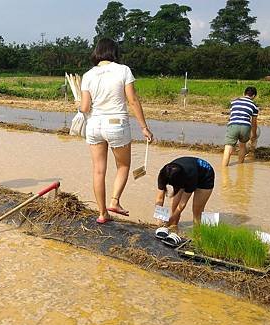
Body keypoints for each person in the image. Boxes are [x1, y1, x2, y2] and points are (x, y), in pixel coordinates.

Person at [79, 38, 153, 224]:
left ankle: (102, 214)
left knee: (98, 171)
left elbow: (85, 107)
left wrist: (79, 107)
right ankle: (114, 201)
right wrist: (144, 127)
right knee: (123, 166)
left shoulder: (88, 75)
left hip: (94, 125)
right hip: (116, 123)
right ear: (114, 52)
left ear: (97, 52)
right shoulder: (123, 70)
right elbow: (133, 100)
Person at [155, 157, 215, 227]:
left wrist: (170, 219)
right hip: (185, 172)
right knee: (174, 208)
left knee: (197, 210)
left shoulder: (189, 177)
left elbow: (183, 203)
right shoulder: (164, 174)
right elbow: (159, 199)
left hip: (205, 175)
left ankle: (200, 233)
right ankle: (174, 228)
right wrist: (159, 218)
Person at [222, 87, 259, 166]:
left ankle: (224, 170)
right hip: (245, 127)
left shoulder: (234, 102)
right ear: (254, 96)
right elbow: (254, 123)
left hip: (233, 125)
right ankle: (240, 166)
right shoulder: (254, 106)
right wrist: (254, 135)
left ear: (244, 93)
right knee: (242, 146)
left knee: (228, 148)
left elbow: (232, 114)